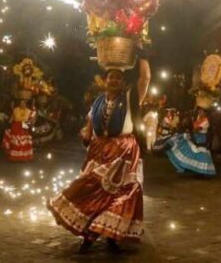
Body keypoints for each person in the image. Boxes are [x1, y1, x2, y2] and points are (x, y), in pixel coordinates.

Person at [48, 53, 150, 254]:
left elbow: (145, 78)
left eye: (118, 78)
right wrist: (87, 135)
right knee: (90, 189)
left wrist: (142, 54)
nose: (114, 80)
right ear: (105, 81)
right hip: (99, 150)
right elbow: (89, 126)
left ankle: (111, 234)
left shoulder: (130, 98)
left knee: (123, 193)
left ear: (122, 82)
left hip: (124, 151)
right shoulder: (97, 102)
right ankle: (89, 234)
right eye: (111, 77)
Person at [164, 107, 216, 176]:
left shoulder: (206, 121)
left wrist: (191, 127)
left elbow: (197, 129)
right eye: (199, 111)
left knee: (199, 153)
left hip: (201, 138)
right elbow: (194, 128)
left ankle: (202, 170)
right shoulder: (198, 118)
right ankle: (184, 166)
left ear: (205, 113)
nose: (199, 112)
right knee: (185, 148)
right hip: (194, 136)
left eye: (201, 111)